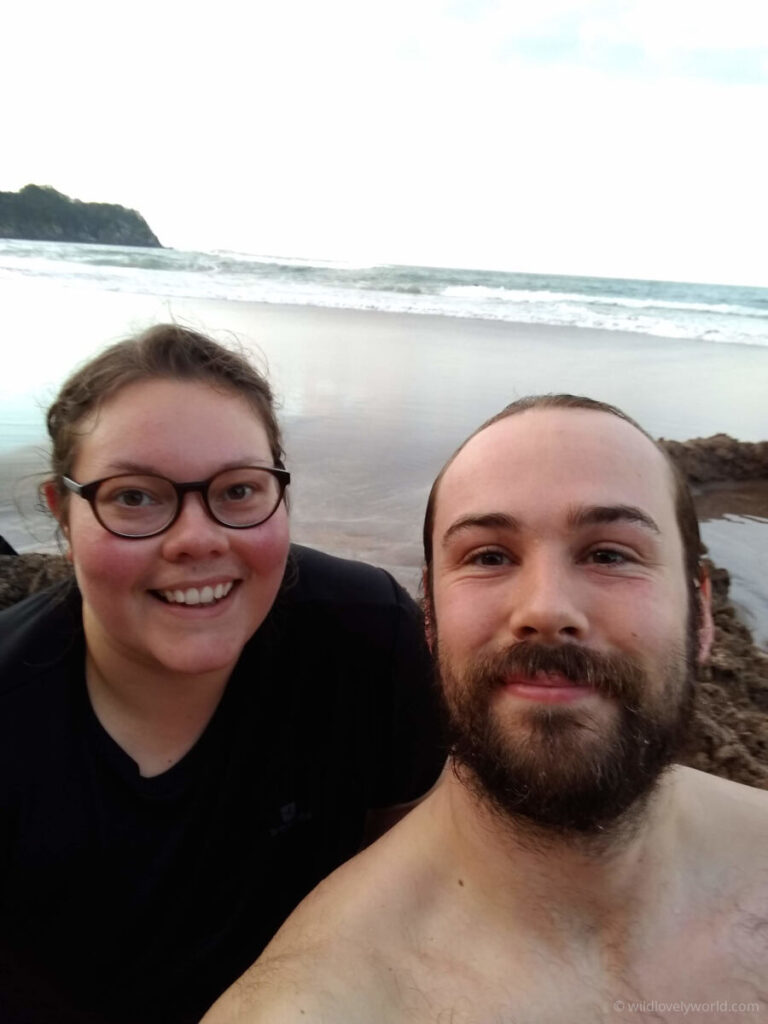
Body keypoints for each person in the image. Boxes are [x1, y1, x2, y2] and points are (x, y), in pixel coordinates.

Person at [204, 394, 768, 1023]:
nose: (546, 608)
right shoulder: (321, 1000)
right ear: (429, 617)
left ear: (702, 613)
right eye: (489, 557)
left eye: (609, 553)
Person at [0, 324, 444, 1024]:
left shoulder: (366, 639)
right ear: (63, 513)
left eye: (239, 490)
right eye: (135, 497)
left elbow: (410, 883)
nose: (198, 538)